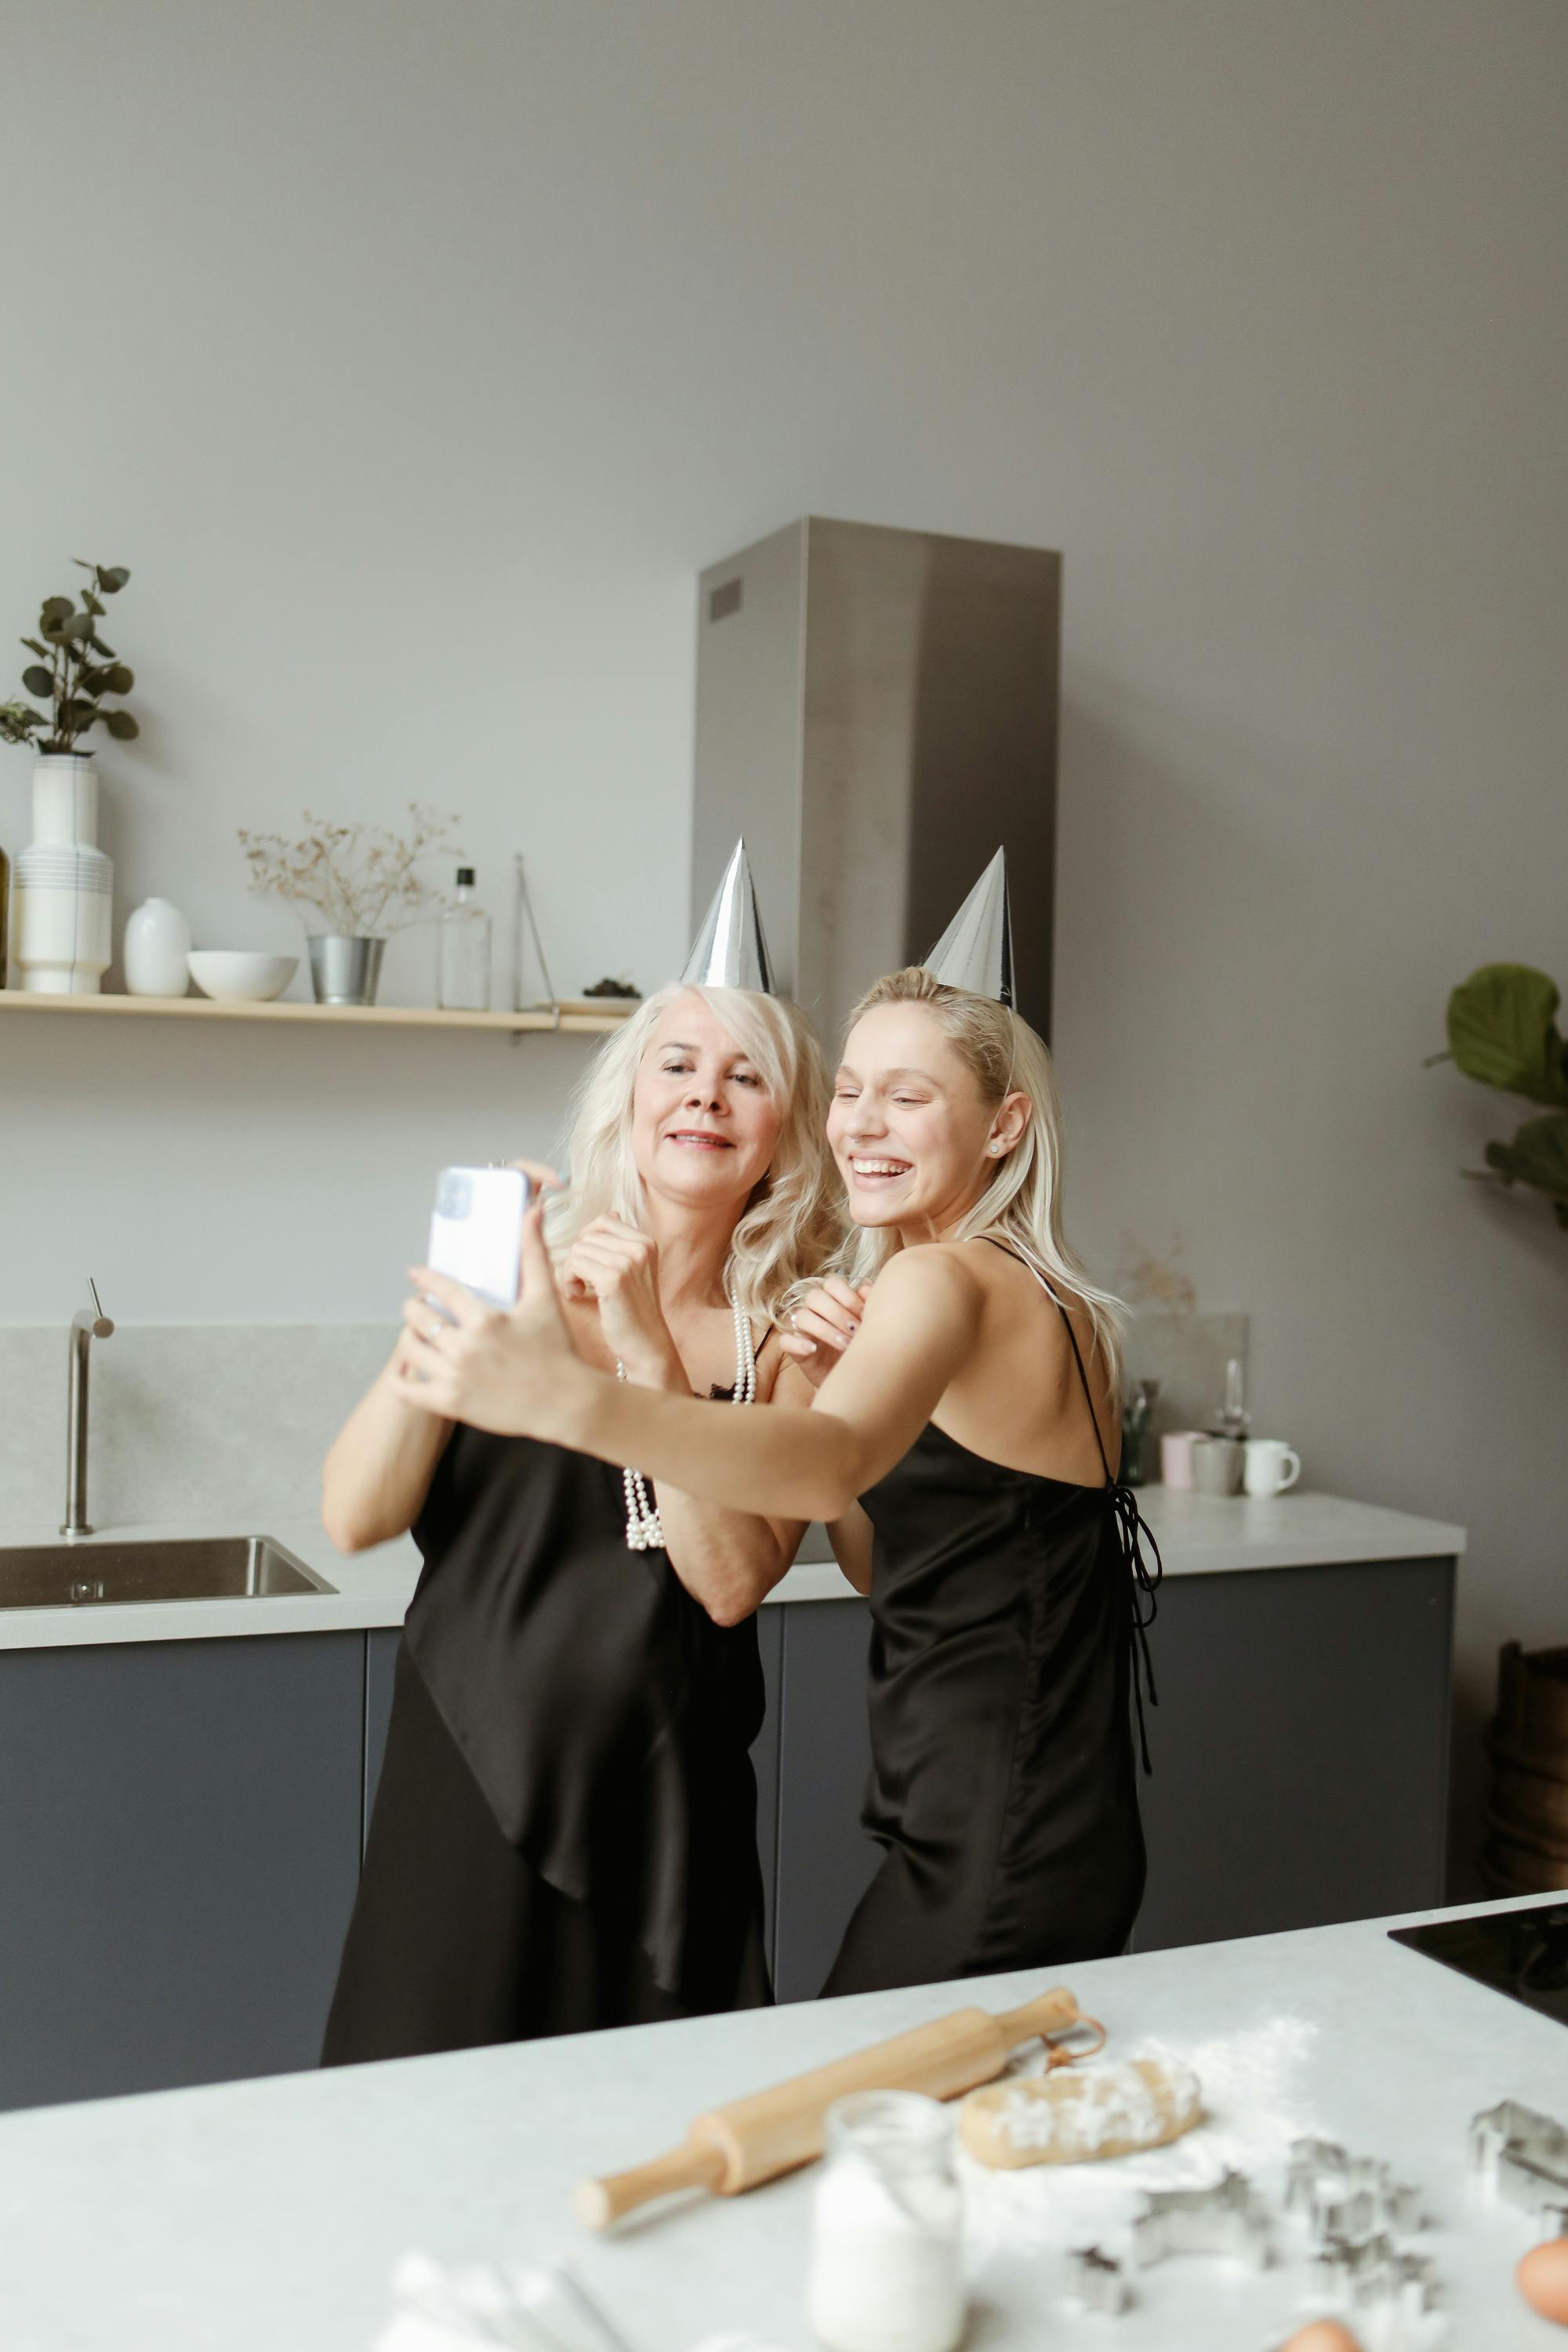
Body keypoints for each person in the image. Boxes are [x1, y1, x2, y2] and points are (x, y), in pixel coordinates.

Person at [395, 855, 1161, 1998]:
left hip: (995, 1832)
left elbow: (820, 1470)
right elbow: (880, 1555)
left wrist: (584, 1395)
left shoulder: (947, 1282)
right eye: (850, 1091)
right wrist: (833, 1391)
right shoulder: (1044, 1291)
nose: (862, 1125)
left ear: (1005, 1126)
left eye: (910, 1097)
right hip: (1036, 1820)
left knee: (855, 2131)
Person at [320, 851, 837, 2056]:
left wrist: (651, 1359)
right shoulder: (514, 1283)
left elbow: (728, 1583)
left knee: (657, 2136)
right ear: (630, 1097)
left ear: (782, 1130)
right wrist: (456, 1299)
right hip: (467, 1786)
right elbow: (355, 1512)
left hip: (671, 1818)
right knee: (425, 2119)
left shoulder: (788, 1345)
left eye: (745, 1075)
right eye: (678, 1064)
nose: (705, 1096)